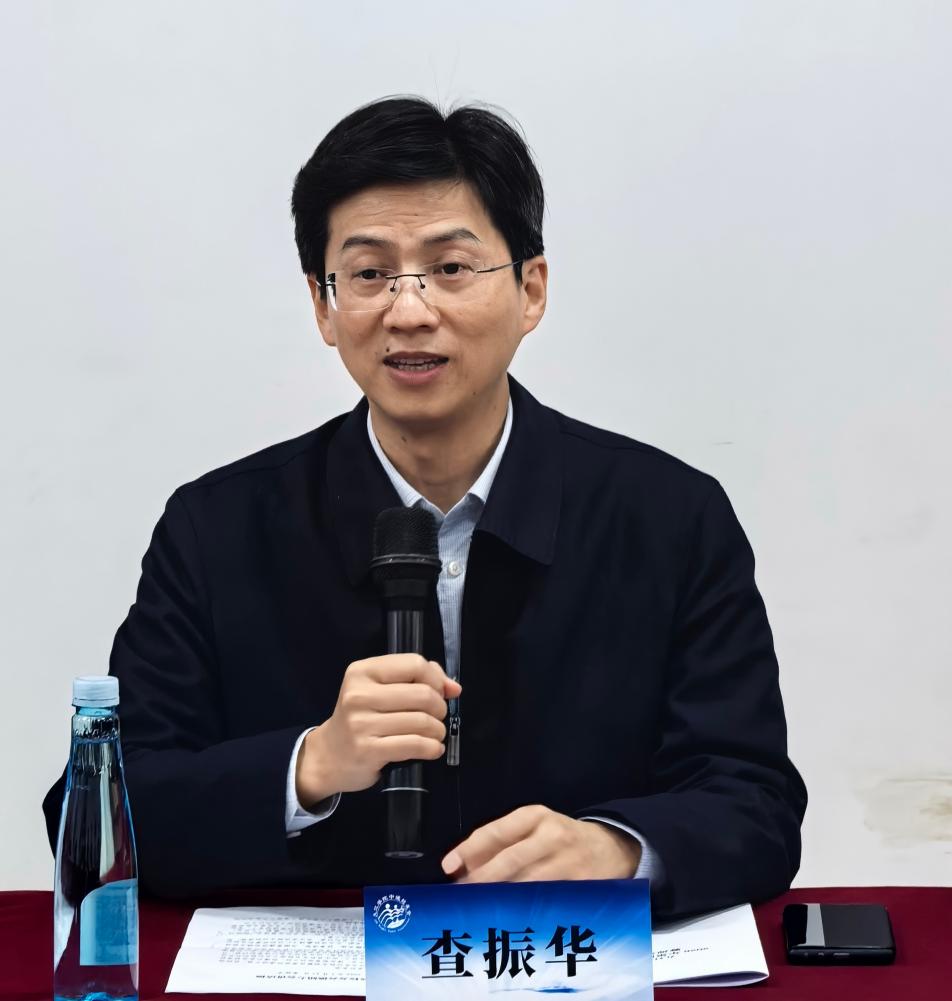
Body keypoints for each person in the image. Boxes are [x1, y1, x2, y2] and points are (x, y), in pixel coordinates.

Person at [44, 97, 806, 920]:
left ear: (531, 289)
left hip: (560, 960)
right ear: (323, 305)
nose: (409, 311)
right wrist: (308, 767)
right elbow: (94, 818)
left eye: (450, 268)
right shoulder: (217, 529)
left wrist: (619, 848)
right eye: (369, 274)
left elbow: (754, 800)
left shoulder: (669, 518)